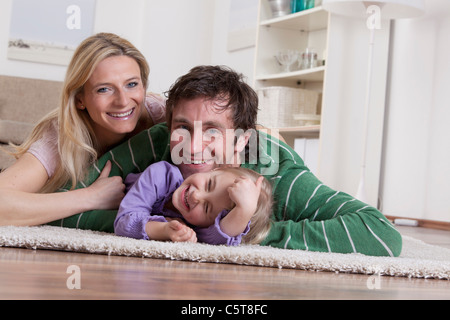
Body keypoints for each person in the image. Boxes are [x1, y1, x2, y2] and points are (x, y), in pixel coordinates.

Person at [25, 65, 402, 257]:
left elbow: (380, 234)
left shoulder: (275, 170)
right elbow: (62, 203)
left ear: (242, 143)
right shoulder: (157, 145)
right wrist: (152, 222)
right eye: (183, 127)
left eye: (213, 131)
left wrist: (245, 232)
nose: (193, 145)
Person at [0, 33, 165, 227]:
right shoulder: (61, 137)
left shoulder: (162, 116)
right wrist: (91, 197)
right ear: (80, 99)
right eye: (104, 89)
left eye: (131, 84)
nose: (122, 101)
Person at [114, 161, 273, 245]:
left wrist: (244, 211)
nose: (196, 195)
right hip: (112, 196)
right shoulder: (161, 175)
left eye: (207, 208)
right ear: (215, 170)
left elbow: (217, 241)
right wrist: (163, 230)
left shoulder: (197, 227)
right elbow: (123, 223)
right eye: (209, 184)